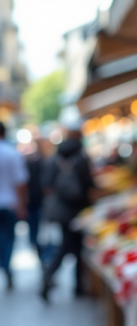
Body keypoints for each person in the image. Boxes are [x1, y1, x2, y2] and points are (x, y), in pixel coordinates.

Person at [41, 124, 94, 301]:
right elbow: (88, 183)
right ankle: (51, 276)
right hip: (77, 209)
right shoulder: (80, 158)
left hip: (60, 209)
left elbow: (46, 183)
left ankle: (75, 284)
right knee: (70, 246)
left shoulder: (56, 157)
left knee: (72, 246)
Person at [0, 122, 28, 289]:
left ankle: (4, 265)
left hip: (8, 203)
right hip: (9, 203)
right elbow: (21, 182)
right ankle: (7, 267)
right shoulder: (11, 153)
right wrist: (22, 205)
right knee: (8, 239)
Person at [25, 137, 48, 259]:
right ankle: (40, 248)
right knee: (39, 226)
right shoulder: (42, 161)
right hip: (38, 199)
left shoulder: (29, 161)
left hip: (32, 199)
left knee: (35, 226)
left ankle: (36, 245)